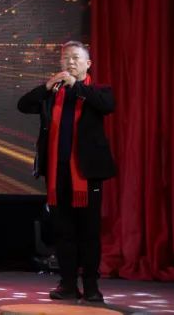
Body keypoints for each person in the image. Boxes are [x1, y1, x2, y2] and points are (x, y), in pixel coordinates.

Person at [17, 41, 114, 303]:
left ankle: (91, 286)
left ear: (87, 64)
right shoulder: (53, 93)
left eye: (76, 58)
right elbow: (23, 105)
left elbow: (107, 105)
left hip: (86, 173)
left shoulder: (97, 91)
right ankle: (68, 284)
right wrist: (47, 86)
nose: (70, 62)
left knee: (89, 232)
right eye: (66, 58)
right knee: (63, 231)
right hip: (57, 172)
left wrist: (77, 86)